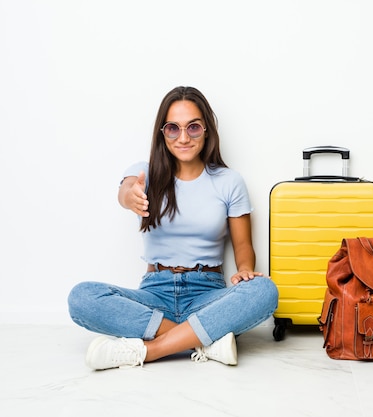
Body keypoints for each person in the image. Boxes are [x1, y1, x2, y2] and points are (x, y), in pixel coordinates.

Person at [68, 86, 279, 370]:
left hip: (208, 294)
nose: (183, 138)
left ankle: (150, 350)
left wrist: (244, 270)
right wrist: (130, 194)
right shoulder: (146, 172)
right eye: (173, 128)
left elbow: (243, 246)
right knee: (82, 297)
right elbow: (127, 189)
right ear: (162, 132)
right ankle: (202, 341)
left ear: (207, 130)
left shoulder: (229, 182)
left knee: (264, 290)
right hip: (155, 293)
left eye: (193, 127)